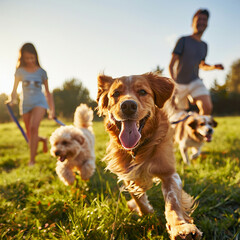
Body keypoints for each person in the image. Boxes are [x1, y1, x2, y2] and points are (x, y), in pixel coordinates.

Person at [169, 9, 224, 115]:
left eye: (204, 19)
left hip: (195, 81)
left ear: (207, 24)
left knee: (207, 108)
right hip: (179, 83)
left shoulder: (204, 46)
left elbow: (202, 65)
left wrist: (213, 67)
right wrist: (174, 84)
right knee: (177, 114)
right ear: (193, 22)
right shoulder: (183, 40)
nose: (202, 22)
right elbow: (171, 65)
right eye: (199, 19)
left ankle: (200, 130)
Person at [8, 43, 55, 166]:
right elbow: (14, 90)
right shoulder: (20, 71)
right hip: (26, 104)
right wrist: (12, 100)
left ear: (35, 56)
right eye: (26, 58)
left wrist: (52, 110)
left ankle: (32, 161)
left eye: (32, 58)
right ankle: (43, 140)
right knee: (29, 134)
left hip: (39, 102)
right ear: (22, 58)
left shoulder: (42, 72)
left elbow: (48, 93)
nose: (29, 61)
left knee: (34, 128)